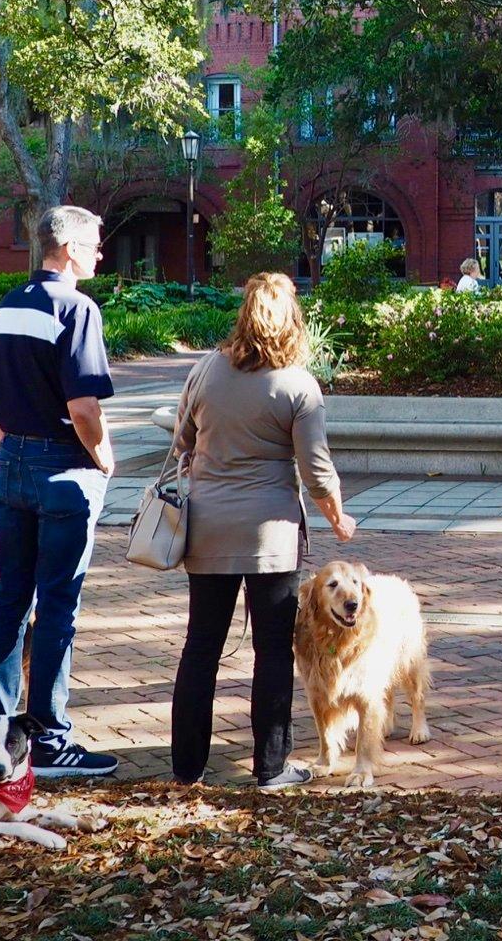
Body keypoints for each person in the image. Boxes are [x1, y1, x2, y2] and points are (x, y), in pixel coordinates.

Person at [170, 273, 357, 790]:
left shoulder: (206, 369)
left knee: (200, 646)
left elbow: (182, 438)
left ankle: (186, 767)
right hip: (271, 536)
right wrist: (338, 518)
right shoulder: (297, 385)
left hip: (207, 527)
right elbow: (317, 471)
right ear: (292, 320)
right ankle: (271, 767)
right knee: (273, 650)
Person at [0, 204, 119, 777]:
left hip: (10, 463)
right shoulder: (78, 309)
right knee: (58, 604)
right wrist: (103, 457)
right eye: (96, 245)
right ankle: (52, 739)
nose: (101, 255)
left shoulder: (7, 307)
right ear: (71, 250)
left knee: (11, 596)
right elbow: (83, 406)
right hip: (62, 467)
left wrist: (15, 442)